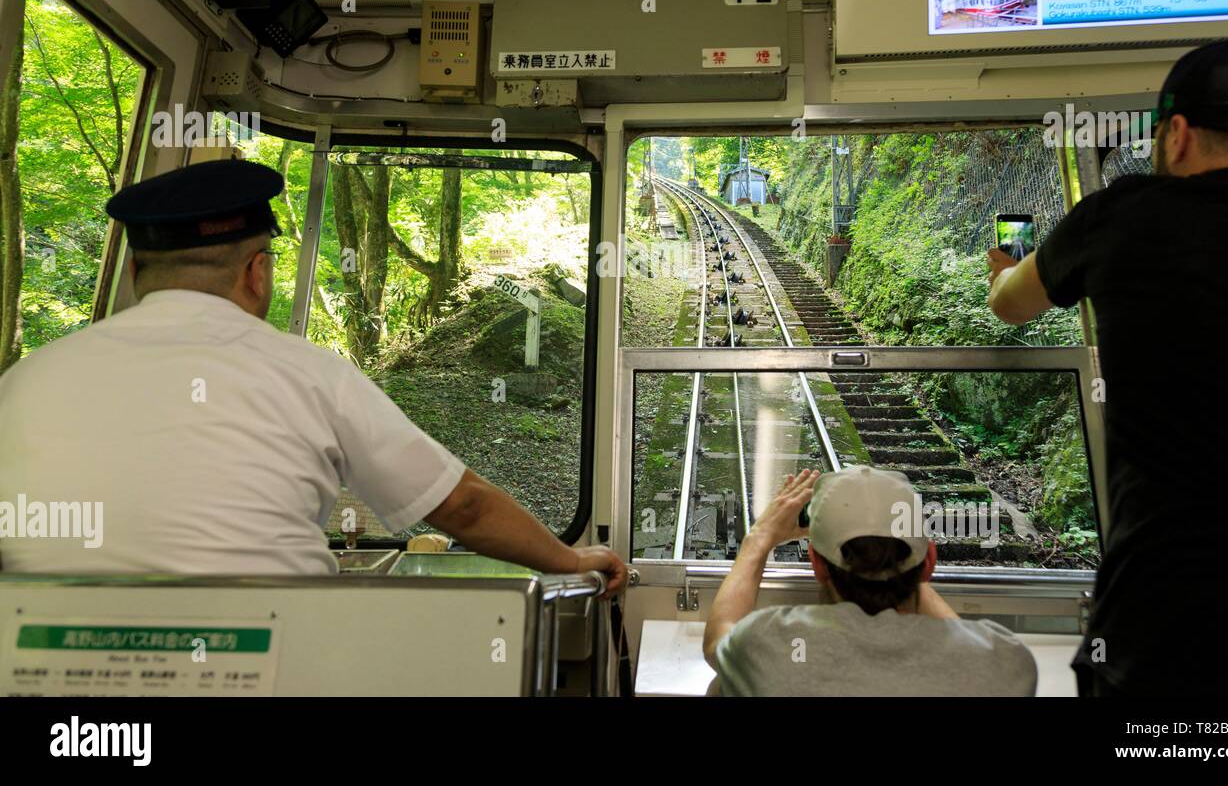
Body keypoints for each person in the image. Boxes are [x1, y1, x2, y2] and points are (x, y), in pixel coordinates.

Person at [0, 158, 625, 595]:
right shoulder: (310, 373)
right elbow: (460, 506)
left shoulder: (27, 381)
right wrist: (570, 558)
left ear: (136, 270)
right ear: (257, 273)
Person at [986, 37, 1228, 695]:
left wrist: (1004, 273)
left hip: (1160, 611)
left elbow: (1010, 305)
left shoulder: (1120, 218)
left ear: (1179, 134)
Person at [703, 467, 1037, 696]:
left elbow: (718, 639)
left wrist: (759, 538)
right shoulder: (1005, 661)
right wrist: (907, 565)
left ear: (817, 564)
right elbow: (966, 643)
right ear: (929, 562)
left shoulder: (765, 647)